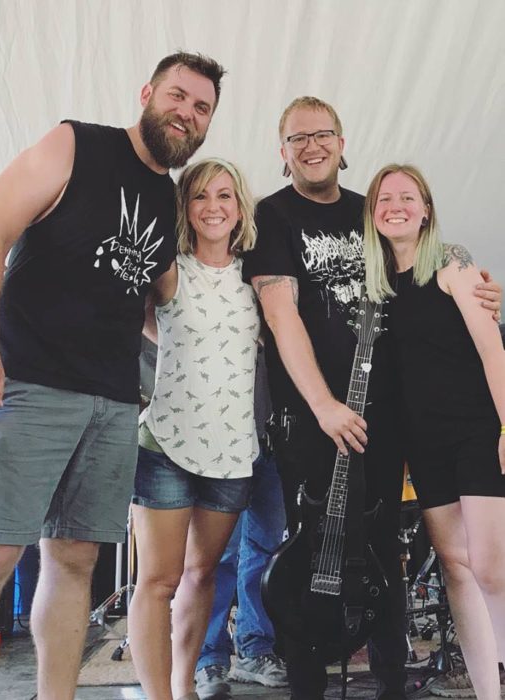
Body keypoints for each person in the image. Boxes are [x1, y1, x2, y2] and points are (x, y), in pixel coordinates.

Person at [0, 52, 225, 700]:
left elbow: (151, 305)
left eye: (202, 107)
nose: (187, 113)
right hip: (26, 384)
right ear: (147, 93)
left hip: (112, 403)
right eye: (177, 95)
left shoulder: (166, 198)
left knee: (75, 560)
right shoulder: (75, 145)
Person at [242, 96, 502, 700]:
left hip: (392, 419)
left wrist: (482, 288)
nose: (312, 146)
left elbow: (430, 273)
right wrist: (323, 405)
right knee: (308, 549)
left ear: (342, 143)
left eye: (323, 134)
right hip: (312, 417)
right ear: (283, 152)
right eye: (298, 137)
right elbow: (281, 316)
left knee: (388, 546)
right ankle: (306, 684)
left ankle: (392, 681)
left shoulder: (371, 215)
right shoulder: (272, 216)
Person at [364, 163, 505, 700]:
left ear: (425, 210)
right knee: (456, 569)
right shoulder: (376, 286)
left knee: (491, 569)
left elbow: (493, 350)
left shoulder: (452, 264)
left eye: (408, 197)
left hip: (476, 433)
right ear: (373, 213)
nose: (396, 206)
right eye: (385, 198)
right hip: (423, 446)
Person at [128, 157, 259, 700]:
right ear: (184, 207)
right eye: (200, 196)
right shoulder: (169, 269)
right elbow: (131, 315)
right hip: (164, 444)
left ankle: (184, 687)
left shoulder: (257, 276)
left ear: (240, 208)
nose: (213, 207)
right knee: (157, 581)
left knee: (202, 574)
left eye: (224, 195)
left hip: (233, 452)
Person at [194, 346, 287, 699]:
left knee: (266, 551)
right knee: (218, 555)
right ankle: (208, 657)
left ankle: (255, 649)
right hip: (221, 436)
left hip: (274, 435)